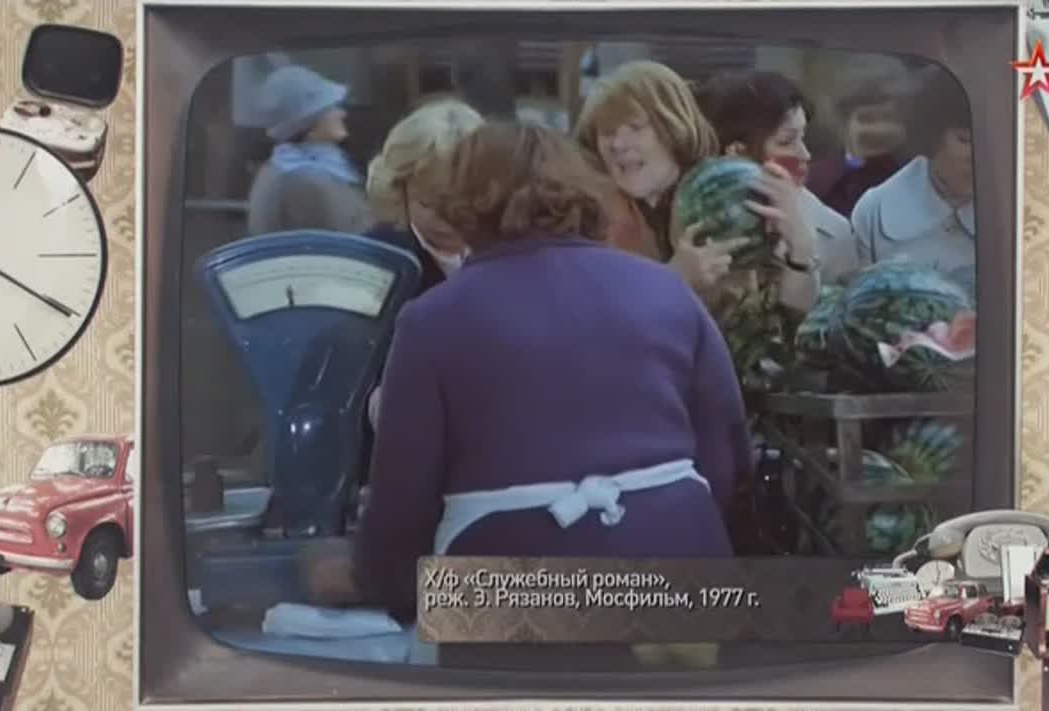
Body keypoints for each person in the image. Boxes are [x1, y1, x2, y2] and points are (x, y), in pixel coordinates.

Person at [352, 122, 751, 622]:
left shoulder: (430, 320)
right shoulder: (667, 289)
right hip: (686, 568)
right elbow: (726, 451)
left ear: (463, 204)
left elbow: (401, 503)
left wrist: (389, 590)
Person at [360, 98, 484, 429]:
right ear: (398, 191)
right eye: (429, 203)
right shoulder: (373, 264)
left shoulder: (503, 251)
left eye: (462, 202)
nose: (447, 218)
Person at [571, 61, 748, 293]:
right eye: (607, 132)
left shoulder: (724, 196)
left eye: (635, 127)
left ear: (674, 127)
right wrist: (673, 279)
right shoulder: (587, 217)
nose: (618, 144)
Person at [693, 69, 857, 292]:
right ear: (737, 153)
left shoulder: (833, 231)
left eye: (803, 137)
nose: (805, 154)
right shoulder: (686, 219)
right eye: (786, 141)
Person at [850, 66, 975, 291]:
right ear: (930, 137)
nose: (977, 156)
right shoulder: (873, 211)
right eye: (964, 140)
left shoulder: (1021, 209)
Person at [246, 64, 371, 236]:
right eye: (331, 107)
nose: (341, 113)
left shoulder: (314, 167)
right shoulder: (300, 181)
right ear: (308, 123)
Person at [805, 55, 911, 218]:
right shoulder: (817, 182)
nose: (880, 130)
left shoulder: (918, 180)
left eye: (890, 118)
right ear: (844, 123)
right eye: (867, 119)